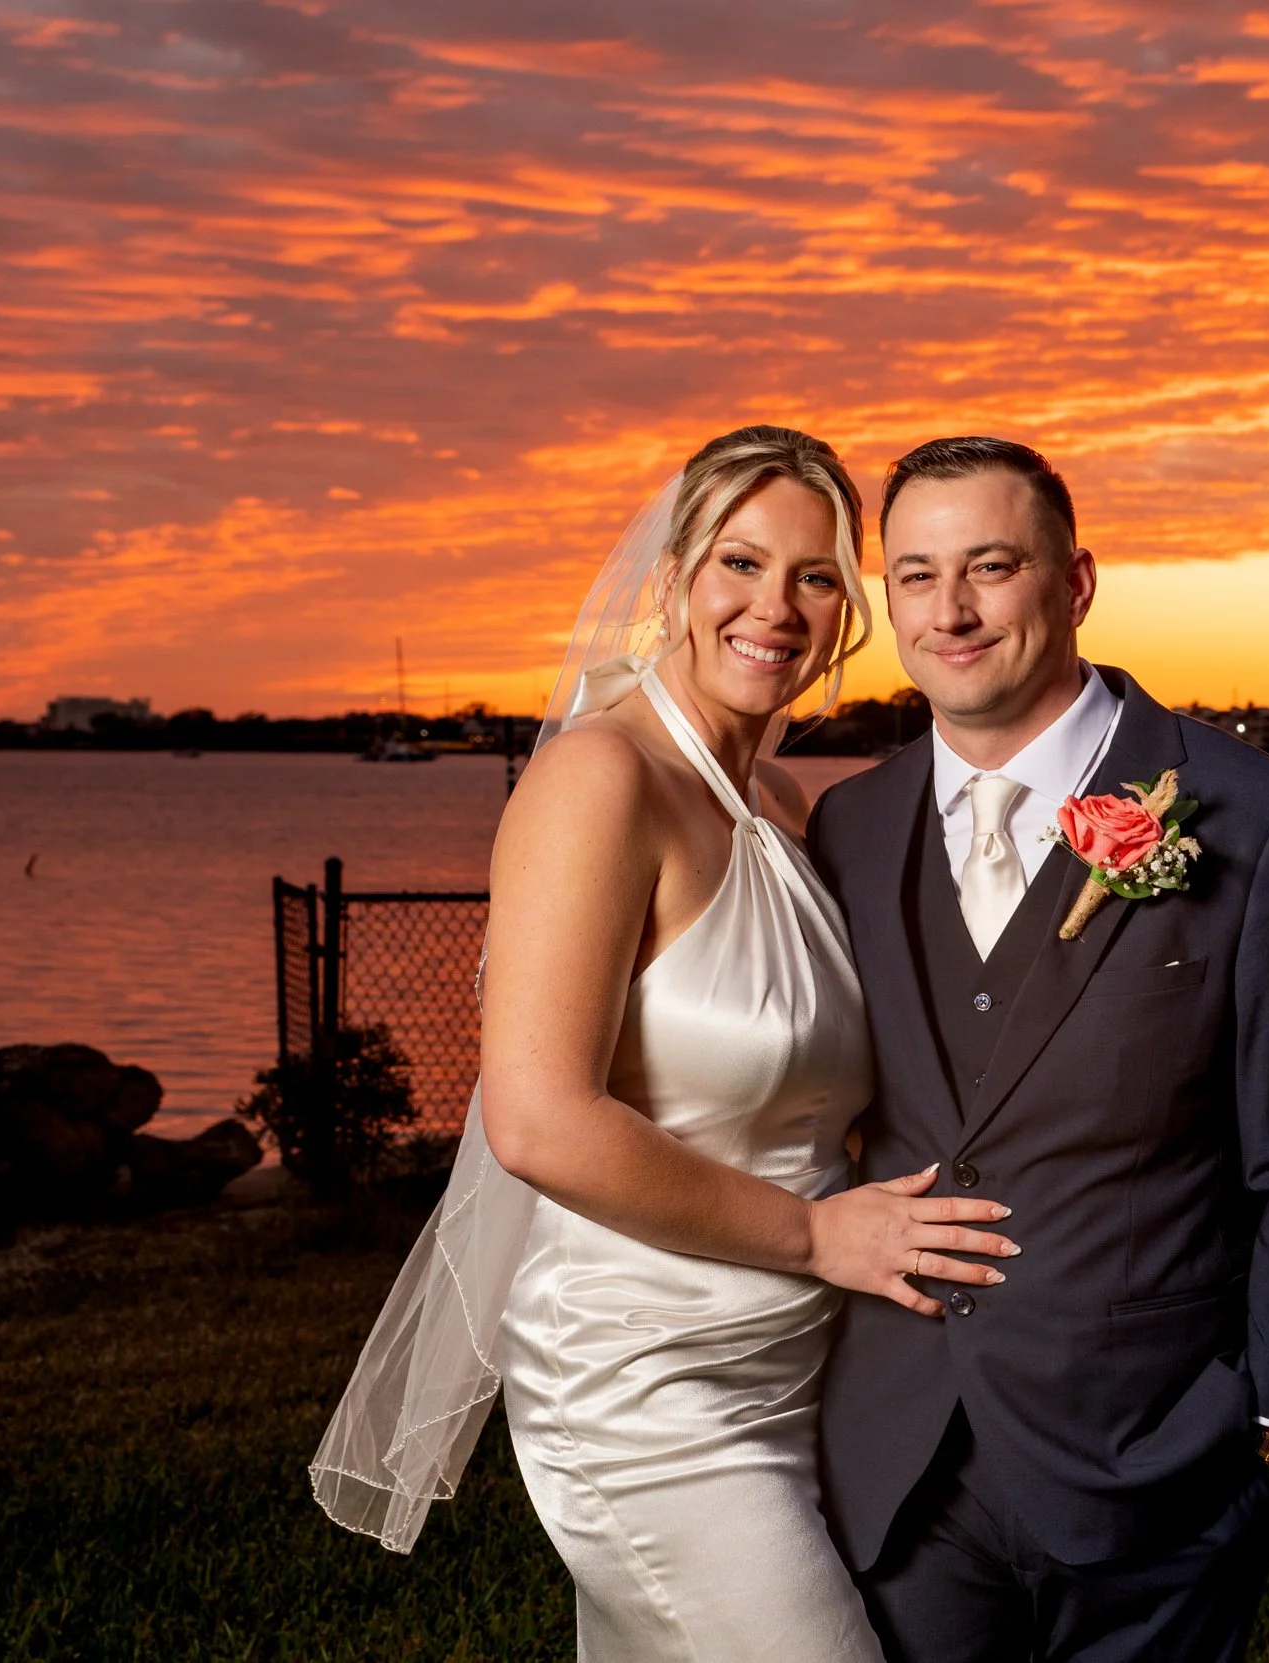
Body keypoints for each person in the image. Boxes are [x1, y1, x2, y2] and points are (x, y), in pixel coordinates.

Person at [307, 426, 1018, 1663]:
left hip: (796, 1364)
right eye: (740, 561)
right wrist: (811, 1233)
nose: (775, 607)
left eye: (813, 576)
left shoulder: (787, 809)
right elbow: (538, 1120)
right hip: (641, 1383)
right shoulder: (600, 779)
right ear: (676, 572)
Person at [805, 436, 1269, 1663]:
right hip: (901, 1452)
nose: (950, 611)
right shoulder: (849, 826)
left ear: (1074, 582)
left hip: (1154, 1451)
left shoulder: (1258, 816)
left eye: (991, 566)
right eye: (914, 576)